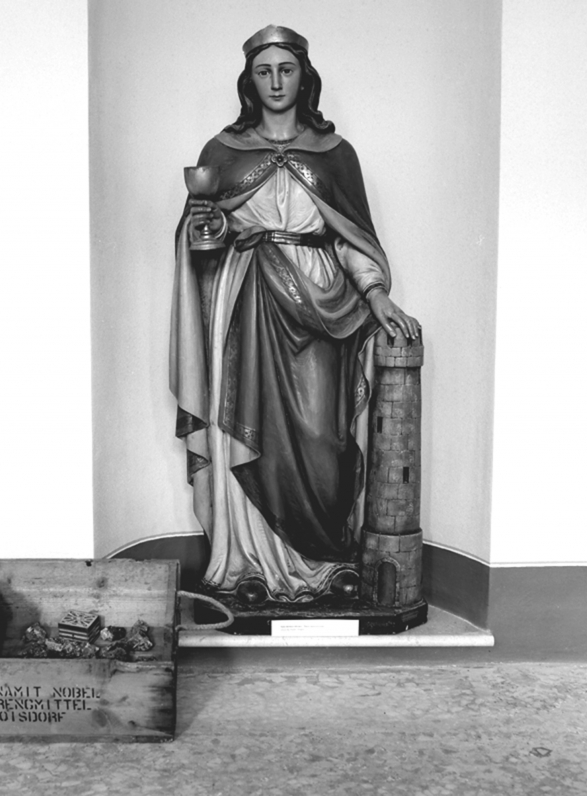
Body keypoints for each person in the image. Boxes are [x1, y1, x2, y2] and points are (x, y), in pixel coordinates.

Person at [170, 25, 420, 606]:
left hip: (322, 308)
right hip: (247, 303)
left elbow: (351, 238)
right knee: (244, 424)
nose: (277, 82)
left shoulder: (336, 155)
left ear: (305, 77)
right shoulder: (221, 152)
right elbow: (202, 240)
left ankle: (325, 564)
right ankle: (245, 563)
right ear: (249, 80)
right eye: (265, 71)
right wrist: (206, 229)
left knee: (323, 436)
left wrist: (376, 295)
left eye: (287, 70)